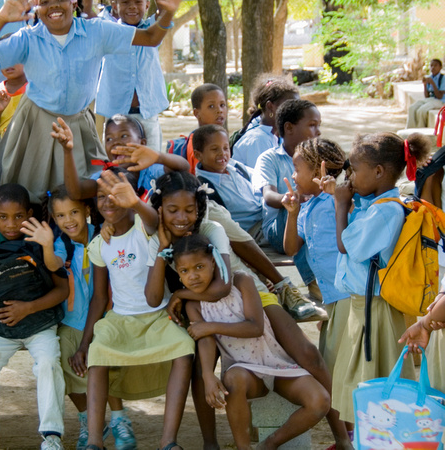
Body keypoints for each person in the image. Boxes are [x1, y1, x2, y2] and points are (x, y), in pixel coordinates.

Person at [146, 171, 348, 448]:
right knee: (198, 365)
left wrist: (180, 293)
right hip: (201, 309)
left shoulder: (210, 228)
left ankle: (342, 435)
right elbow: (153, 295)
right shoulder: (156, 237)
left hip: (248, 294)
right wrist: (162, 250)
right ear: (160, 210)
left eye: (189, 210)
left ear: (199, 208)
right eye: (172, 210)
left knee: (308, 353)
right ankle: (210, 443)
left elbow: (224, 287)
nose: (181, 217)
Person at [0, 0, 185, 202]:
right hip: (36, 123)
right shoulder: (28, 38)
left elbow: (150, 38)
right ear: (37, 8)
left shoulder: (96, 31)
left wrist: (168, 11)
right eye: (45, 1)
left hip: (78, 126)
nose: (54, 6)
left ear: (73, 2)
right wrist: (0, 18)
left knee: (81, 194)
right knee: (30, 193)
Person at [175, 234, 330, 450]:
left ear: (214, 261)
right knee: (233, 378)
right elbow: (206, 341)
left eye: (199, 266)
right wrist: (208, 375)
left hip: (277, 364)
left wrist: (211, 326)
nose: (193, 276)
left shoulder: (241, 280)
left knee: (319, 401)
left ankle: (270, 444)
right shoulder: (193, 304)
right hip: (245, 371)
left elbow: (254, 327)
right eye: (185, 271)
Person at [78, 170, 194, 450]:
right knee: (97, 352)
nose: (109, 201)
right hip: (120, 318)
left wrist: (135, 204)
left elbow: (153, 220)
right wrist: (84, 343)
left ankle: (168, 441)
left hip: (158, 316)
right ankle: (95, 441)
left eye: (118, 195)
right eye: (102, 196)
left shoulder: (146, 228)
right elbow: (99, 297)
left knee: (183, 347)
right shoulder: (99, 245)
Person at [331, 131, 430, 424]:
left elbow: (345, 245)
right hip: (364, 308)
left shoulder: (386, 212)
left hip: (377, 311)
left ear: (378, 171)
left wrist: (339, 205)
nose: (349, 177)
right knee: (362, 387)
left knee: (376, 391)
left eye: (354, 169)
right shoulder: (374, 206)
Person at [0, 184, 69, 450]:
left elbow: (62, 289)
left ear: (30, 214)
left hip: (40, 322)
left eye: (19, 216)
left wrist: (28, 308)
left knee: (48, 364)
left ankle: (51, 436)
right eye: (3, 216)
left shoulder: (41, 238)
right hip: (2, 327)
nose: (11, 224)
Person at [48, 186, 136, 450]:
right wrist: (44, 245)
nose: (69, 220)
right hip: (72, 321)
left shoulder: (104, 236)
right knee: (66, 363)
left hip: (106, 318)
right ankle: (88, 419)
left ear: (88, 210)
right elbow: (53, 263)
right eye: (61, 216)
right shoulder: (60, 244)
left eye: (74, 212)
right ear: (54, 219)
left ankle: (120, 418)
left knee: (103, 365)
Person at [281, 137, 354, 439]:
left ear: (316, 170)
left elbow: (351, 237)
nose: (293, 175)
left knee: (340, 369)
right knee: (331, 367)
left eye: (296, 169)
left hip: (349, 297)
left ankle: (353, 435)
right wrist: (292, 213)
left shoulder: (339, 200)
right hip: (331, 300)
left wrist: (335, 195)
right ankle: (348, 435)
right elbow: (289, 248)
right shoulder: (309, 208)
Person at [253, 99, 322, 301]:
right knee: (297, 210)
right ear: (289, 128)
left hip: (310, 219)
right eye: (312, 125)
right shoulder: (269, 158)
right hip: (278, 227)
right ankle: (313, 282)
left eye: (319, 125)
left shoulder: (316, 158)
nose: (317, 131)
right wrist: (291, 199)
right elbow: (268, 196)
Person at [93, 0, 170, 152]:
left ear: (147, 4)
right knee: (118, 163)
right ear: (114, 6)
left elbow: (167, 12)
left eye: (138, 1)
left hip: (147, 113)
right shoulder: (108, 30)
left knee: (152, 161)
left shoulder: (152, 30)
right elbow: (89, 14)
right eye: (125, 2)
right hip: (116, 114)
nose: (132, 7)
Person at [54, 114, 188, 202]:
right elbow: (76, 193)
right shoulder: (106, 177)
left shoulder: (151, 170)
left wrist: (159, 157)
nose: (116, 142)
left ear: (142, 143)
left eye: (124, 136)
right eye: (109, 139)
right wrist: (67, 151)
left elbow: (184, 168)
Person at [193, 124, 262, 234]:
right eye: (215, 149)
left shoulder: (234, 166)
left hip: (266, 214)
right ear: (198, 155)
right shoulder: (206, 189)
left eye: (226, 148)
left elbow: (260, 179)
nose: (222, 154)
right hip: (253, 232)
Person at [232, 75, 299, 169]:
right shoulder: (258, 140)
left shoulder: (275, 135)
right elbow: (262, 180)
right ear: (270, 107)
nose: (295, 113)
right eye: (290, 107)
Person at [182, 84, 228, 174]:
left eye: (222, 105)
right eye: (211, 106)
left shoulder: (220, 138)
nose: (219, 110)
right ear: (196, 113)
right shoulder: (198, 144)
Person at [406, 58, 445, 128]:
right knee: (412, 108)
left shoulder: (443, 78)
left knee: (421, 111)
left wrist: (433, 83)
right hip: (431, 99)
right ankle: (410, 129)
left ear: (440, 67)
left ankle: (420, 129)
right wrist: (425, 85)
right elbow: (427, 96)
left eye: (435, 66)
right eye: (431, 66)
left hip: (440, 101)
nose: (433, 68)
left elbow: (439, 96)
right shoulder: (429, 77)